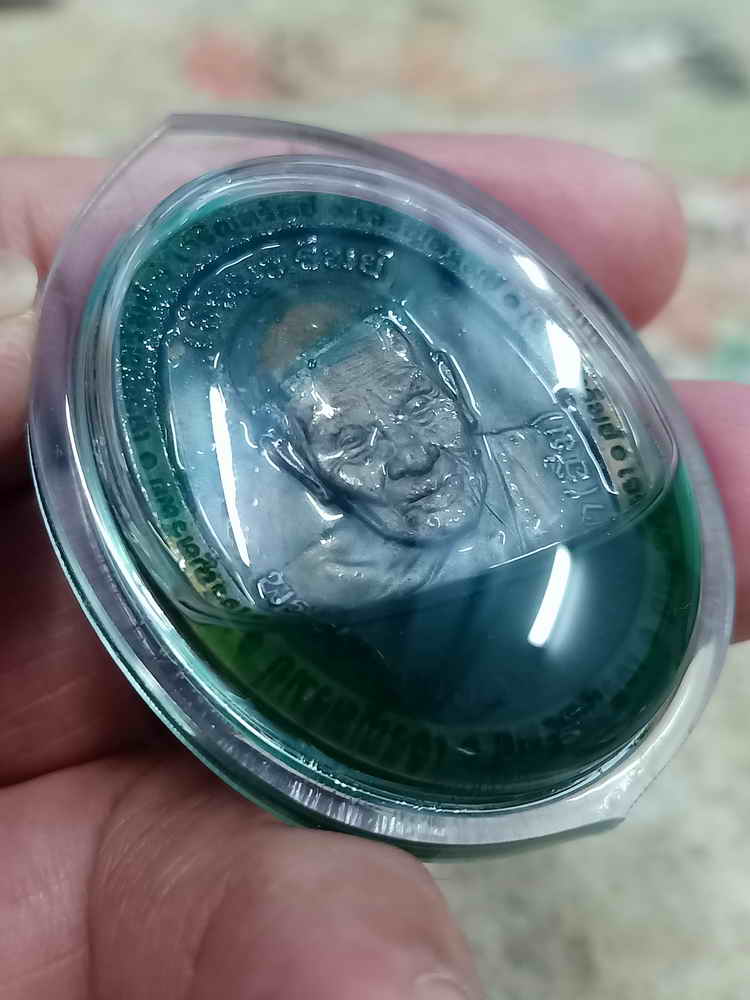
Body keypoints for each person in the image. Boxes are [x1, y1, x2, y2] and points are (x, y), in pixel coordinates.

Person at [0, 138, 746, 1000]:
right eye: (351, 440)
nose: (410, 457)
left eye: (417, 405)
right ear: (301, 465)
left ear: (454, 386)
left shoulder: (580, 480)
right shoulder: (307, 594)